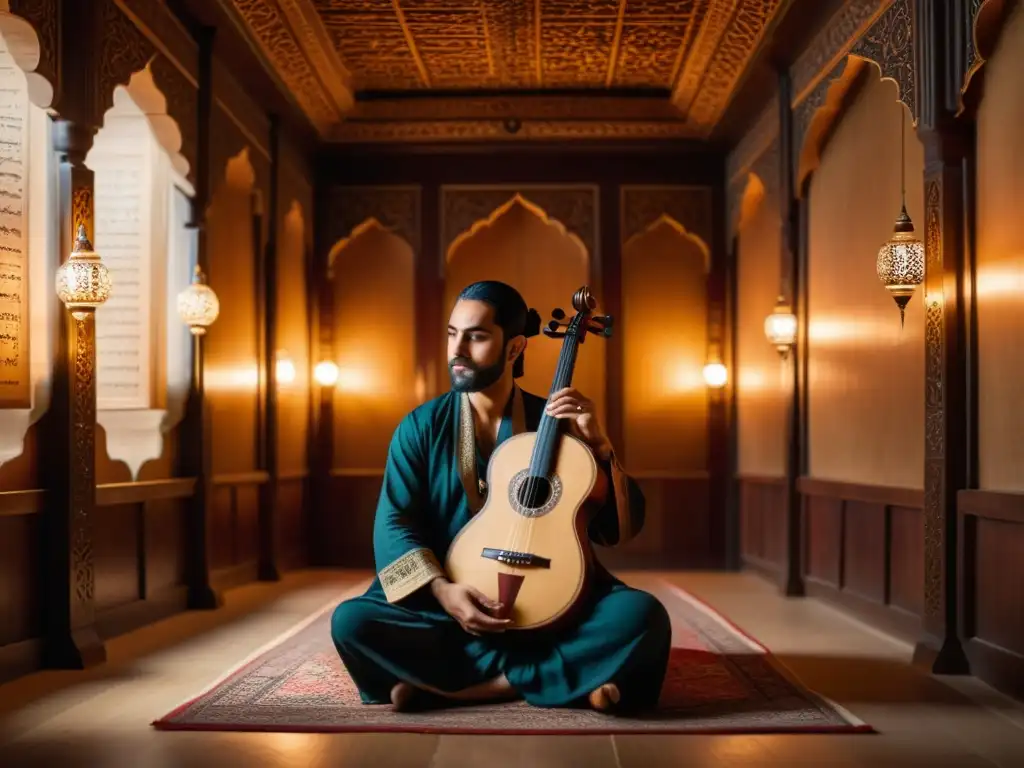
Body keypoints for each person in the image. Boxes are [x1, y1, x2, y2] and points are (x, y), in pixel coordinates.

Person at [330, 280, 671, 714]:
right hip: (449, 607)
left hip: (553, 602)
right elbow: (395, 521)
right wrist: (442, 592)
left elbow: (613, 531)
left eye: (475, 337)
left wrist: (600, 448)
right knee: (352, 622)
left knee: (641, 616)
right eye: (452, 333)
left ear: (514, 349)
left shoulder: (557, 423)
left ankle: (471, 687)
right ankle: (561, 677)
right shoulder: (420, 427)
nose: (458, 350)